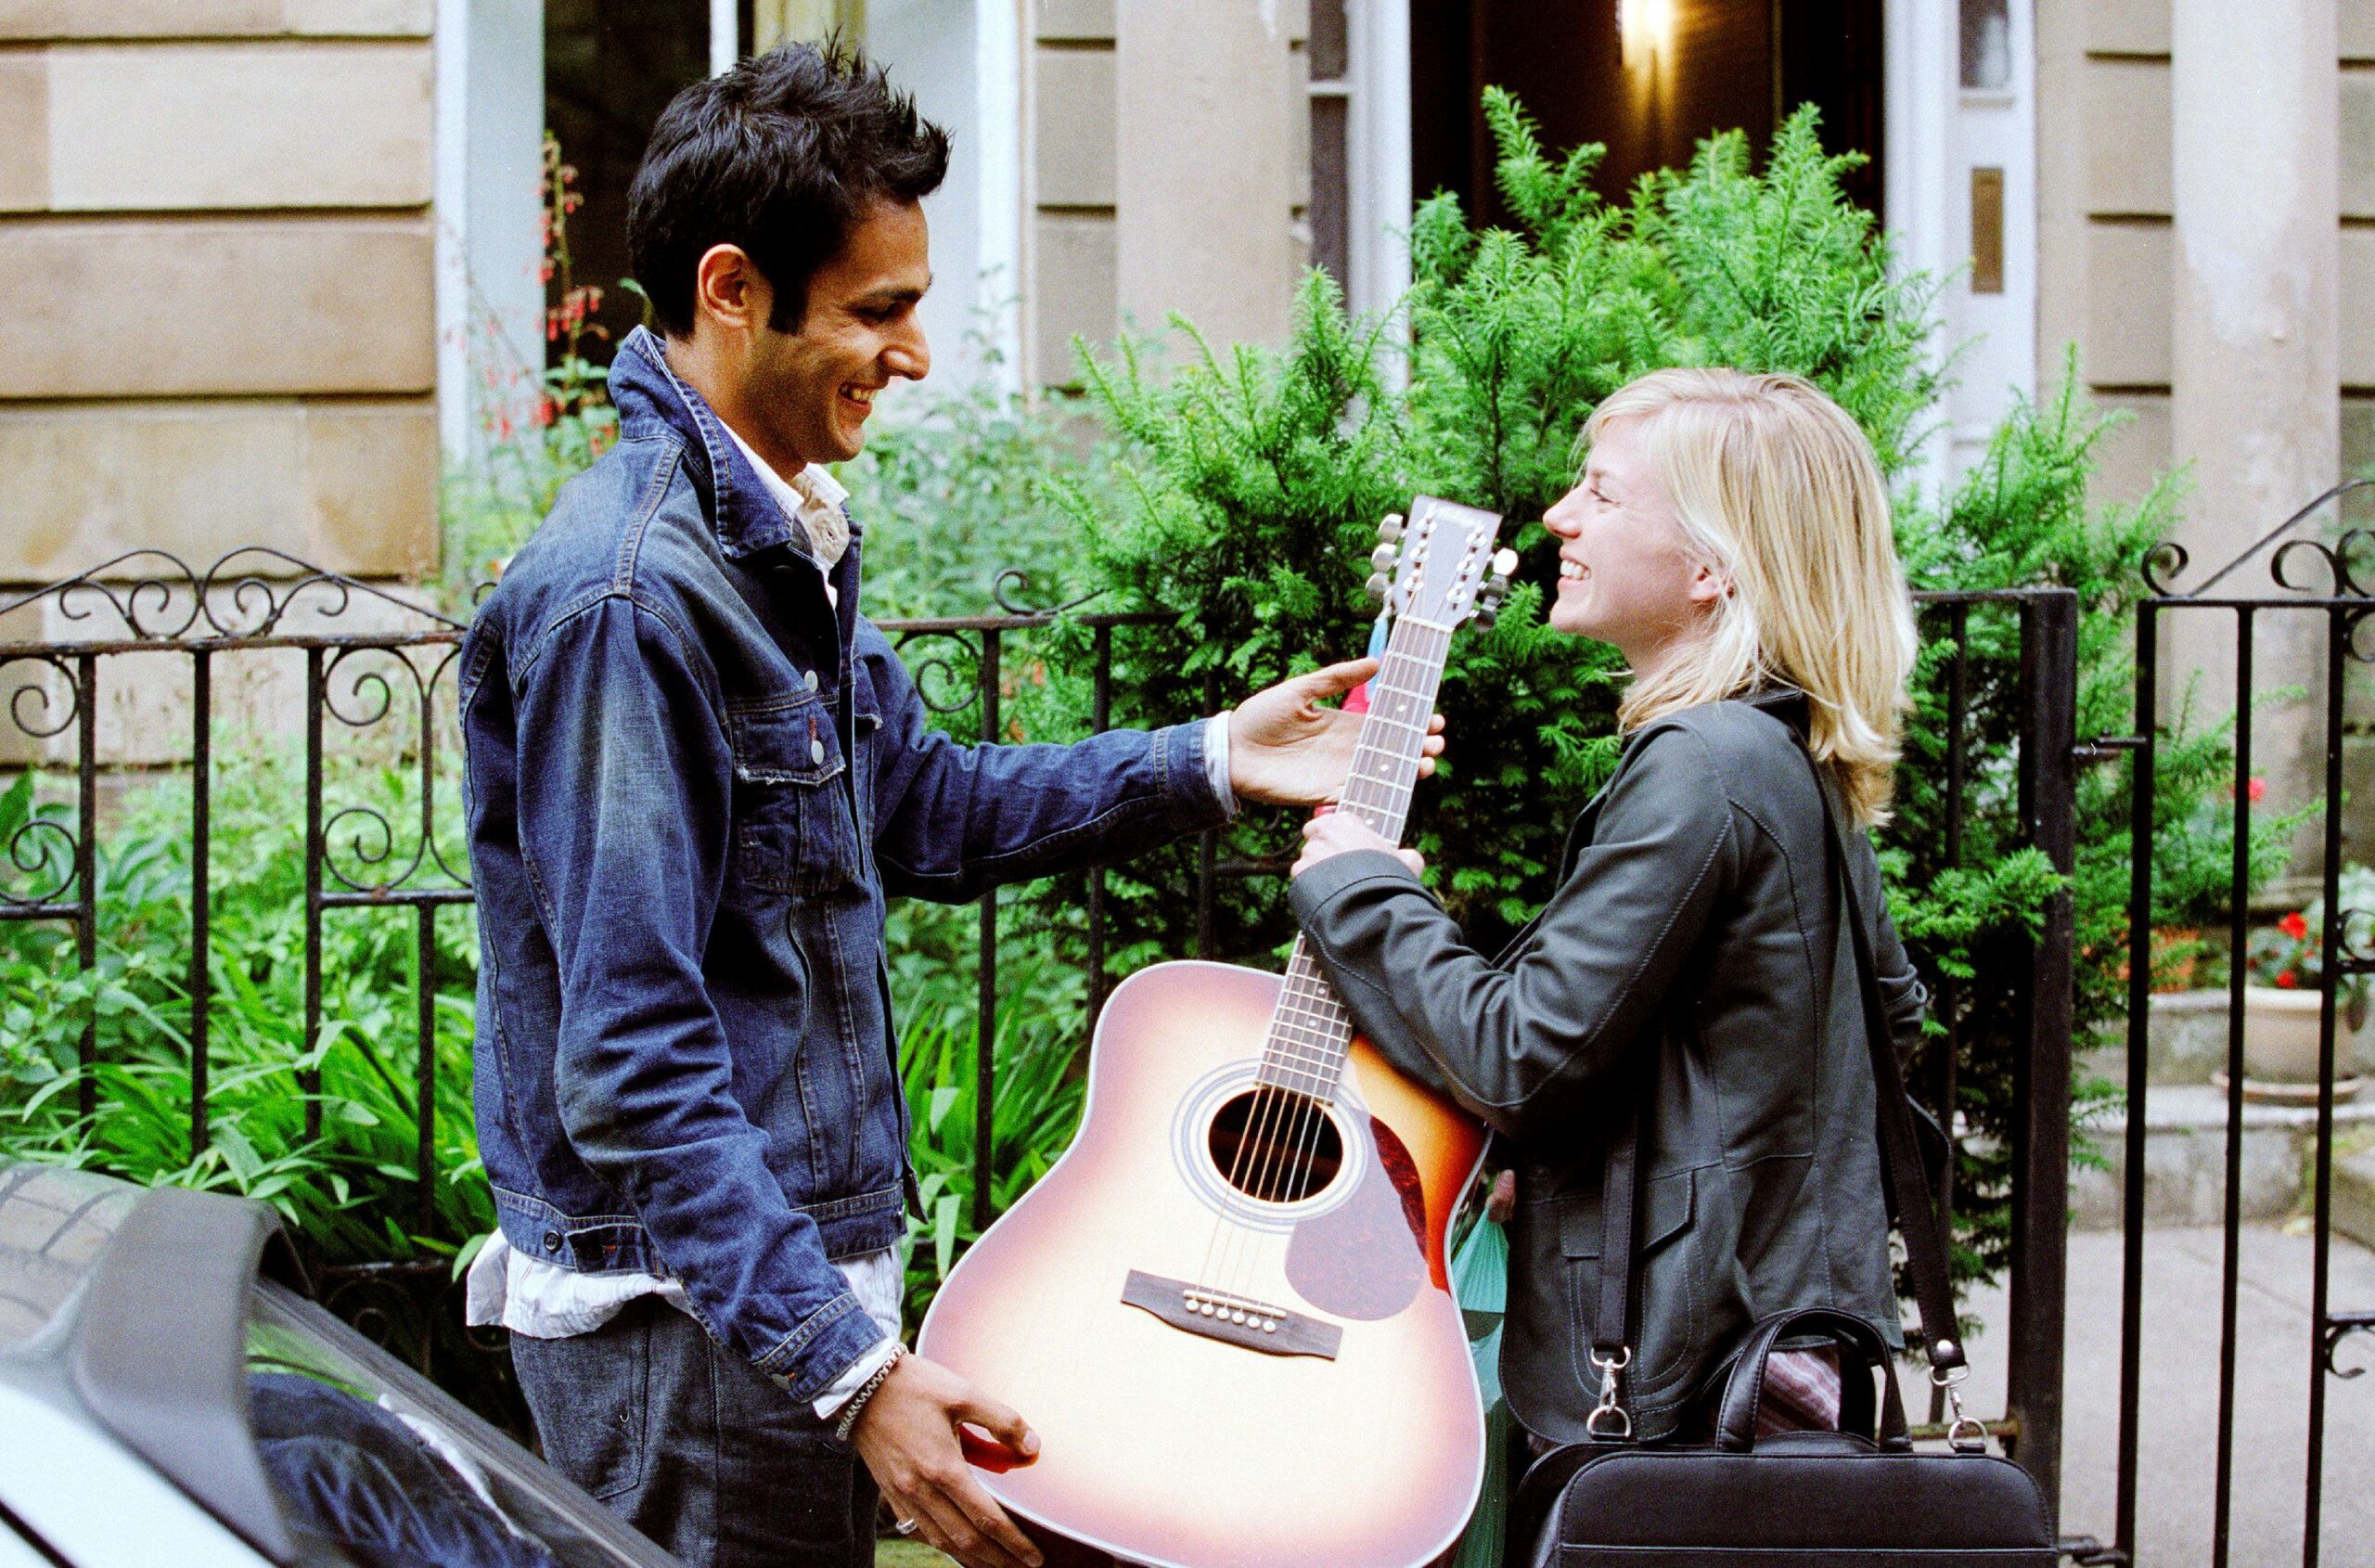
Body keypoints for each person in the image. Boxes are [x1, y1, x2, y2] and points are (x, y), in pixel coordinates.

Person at [458, 41, 1437, 1568]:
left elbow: (923, 806)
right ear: (732, 289)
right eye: (879, 310)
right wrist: (851, 1373)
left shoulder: (770, 545)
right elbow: (633, 1064)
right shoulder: (630, 598)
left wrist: (1212, 757)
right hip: (697, 1343)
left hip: (766, 1317)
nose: (914, 354)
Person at [1288, 367, 1926, 1449]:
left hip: (1684, 1376)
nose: (1557, 516)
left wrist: (1361, 884)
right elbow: (1876, 1018)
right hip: (1765, 1345)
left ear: (1710, 568)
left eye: (1602, 492)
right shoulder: (1781, 751)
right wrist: (1581, 1170)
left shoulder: (1702, 763)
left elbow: (1519, 1058)